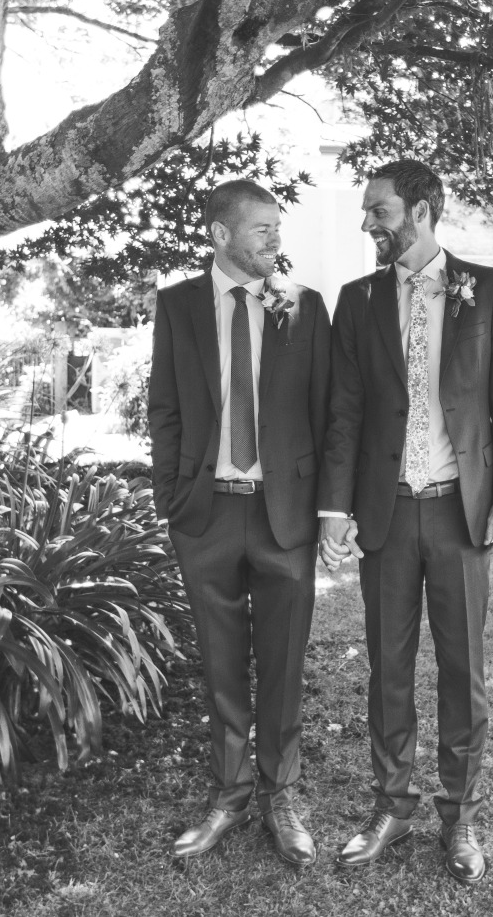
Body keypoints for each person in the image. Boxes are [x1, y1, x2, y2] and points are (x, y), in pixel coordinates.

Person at [317, 159, 493, 885]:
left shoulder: (487, 289)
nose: (368, 223)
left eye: (378, 210)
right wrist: (335, 509)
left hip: (458, 512)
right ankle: (391, 805)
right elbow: (344, 411)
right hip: (384, 512)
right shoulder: (357, 300)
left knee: (463, 670)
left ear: (421, 211)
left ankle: (460, 816)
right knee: (388, 668)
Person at [147, 179, 331, 866]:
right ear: (221, 234)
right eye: (262, 229)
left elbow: (329, 413)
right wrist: (172, 501)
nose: (275, 240)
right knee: (221, 664)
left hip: (286, 515)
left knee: (283, 664)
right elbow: (164, 407)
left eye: (277, 229)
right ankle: (229, 794)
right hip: (206, 515)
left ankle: (281, 796)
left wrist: (329, 507)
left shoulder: (304, 305)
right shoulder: (178, 306)